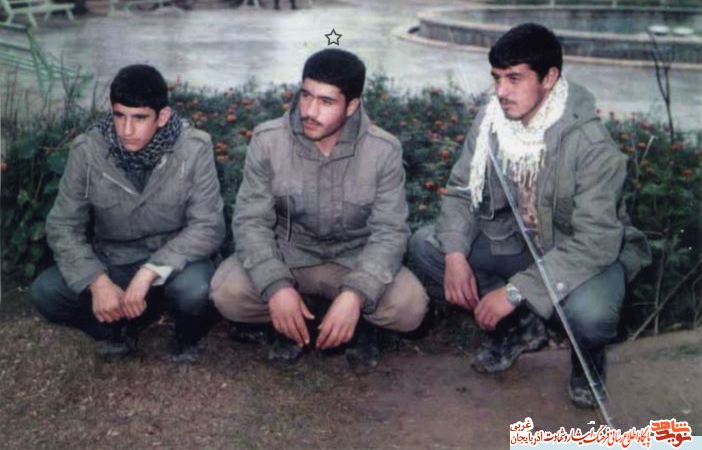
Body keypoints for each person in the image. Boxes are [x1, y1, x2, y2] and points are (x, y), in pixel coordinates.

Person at [408, 23, 651, 408]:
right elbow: (460, 192)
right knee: (427, 245)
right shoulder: (491, 121)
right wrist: (454, 255)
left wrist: (515, 291)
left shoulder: (590, 145)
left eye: (515, 78)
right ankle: (520, 327)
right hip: (517, 243)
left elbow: (596, 242)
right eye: (496, 78)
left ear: (549, 78)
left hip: (581, 256)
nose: (501, 91)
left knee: (591, 315)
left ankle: (587, 360)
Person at [211, 49, 428, 371]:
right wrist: (276, 286)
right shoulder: (269, 140)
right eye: (306, 96)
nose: (310, 111)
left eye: (326, 101)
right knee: (228, 293)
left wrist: (357, 293)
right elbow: (251, 221)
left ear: (351, 106)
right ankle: (291, 317)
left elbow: (390, 232)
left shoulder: (383, 150)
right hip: (290, 255)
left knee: (409, 307)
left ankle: (357, 322)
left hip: (353, 258)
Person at [31, 64, 225, 363]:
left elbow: (209, 226)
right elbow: (63, 225)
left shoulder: (194, 147)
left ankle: (186, 331)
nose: (126, 130)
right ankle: (119, 326)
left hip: (173, 264)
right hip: (114, 261)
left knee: (197, 290)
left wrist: (150, 272)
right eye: (119, 115)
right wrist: (97, 281)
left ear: (162, 116)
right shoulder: (87, 150)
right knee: (46, 292)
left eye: (139, 118)